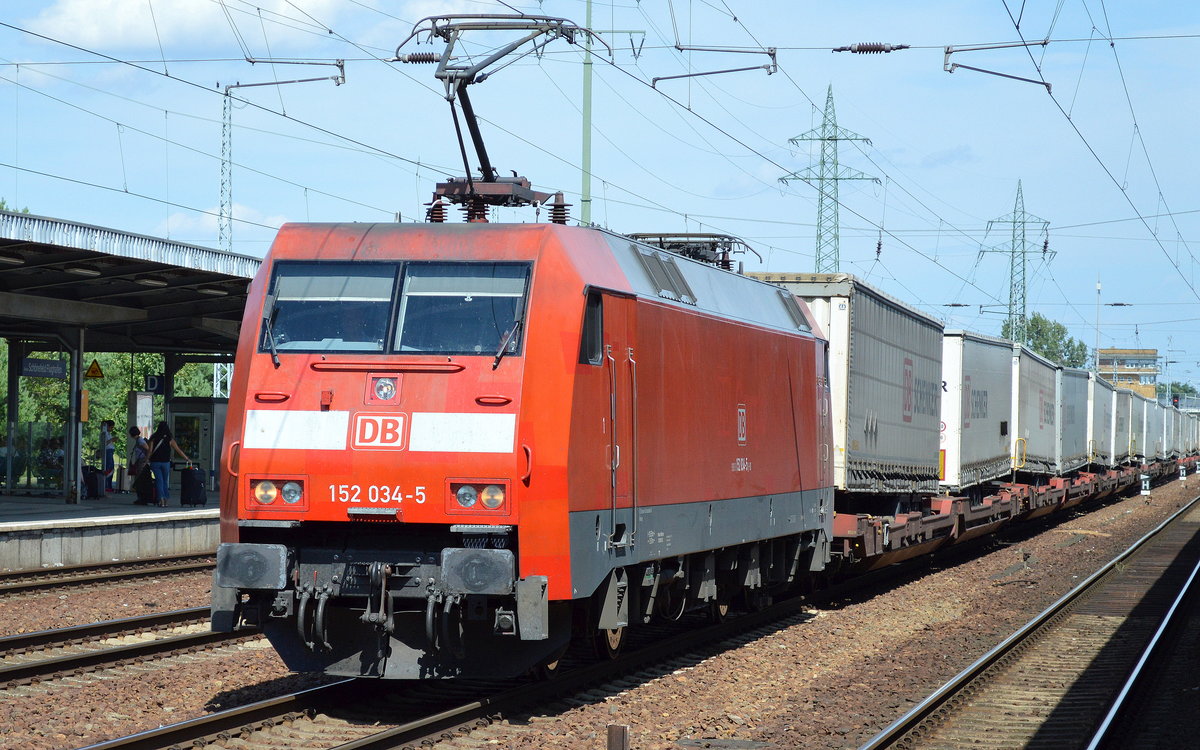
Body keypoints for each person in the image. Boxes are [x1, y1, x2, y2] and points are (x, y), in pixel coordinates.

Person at [148, 422, 189, 508]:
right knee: (164, 481)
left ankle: (161, 500)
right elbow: (178, 450)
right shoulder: (170, 439)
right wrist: (187, 458)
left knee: (159, 481)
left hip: (155, 462)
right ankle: (166, 500)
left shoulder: (153, 438)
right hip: (166, 463)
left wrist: (146, 460)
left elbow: (150, 451)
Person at [128, 427, 152, 505]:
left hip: (141, 462)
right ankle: (141, 498)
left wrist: (146, 458)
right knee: (139, 480)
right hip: (140, 461)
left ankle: (141, 498)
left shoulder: (140, 441)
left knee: (139, 479)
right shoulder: (139, 440)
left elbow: (148, 448)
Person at [100, 420, 116, 492]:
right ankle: (105, 485)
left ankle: (109, 485)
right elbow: (104, 443)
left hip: (111, 451)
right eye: (111, 427)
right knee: (108, 468)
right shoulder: (104, 434)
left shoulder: (108, 434)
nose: (112, 429)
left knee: (111, 469)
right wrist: (111, 440)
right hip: (107, 451)